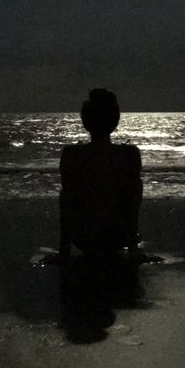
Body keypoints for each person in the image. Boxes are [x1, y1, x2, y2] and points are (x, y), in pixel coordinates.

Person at [56, 89, 142, 263]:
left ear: (85, 121)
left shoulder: (72, 154)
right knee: (135, 186)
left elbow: (67, 202)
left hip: (82, 238)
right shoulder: (129, 154)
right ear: (115, 120)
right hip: (117, 237)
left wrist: (64, 250)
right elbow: (131, 203)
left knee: (66, 191)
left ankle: (65, 248)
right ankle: (133, 246)